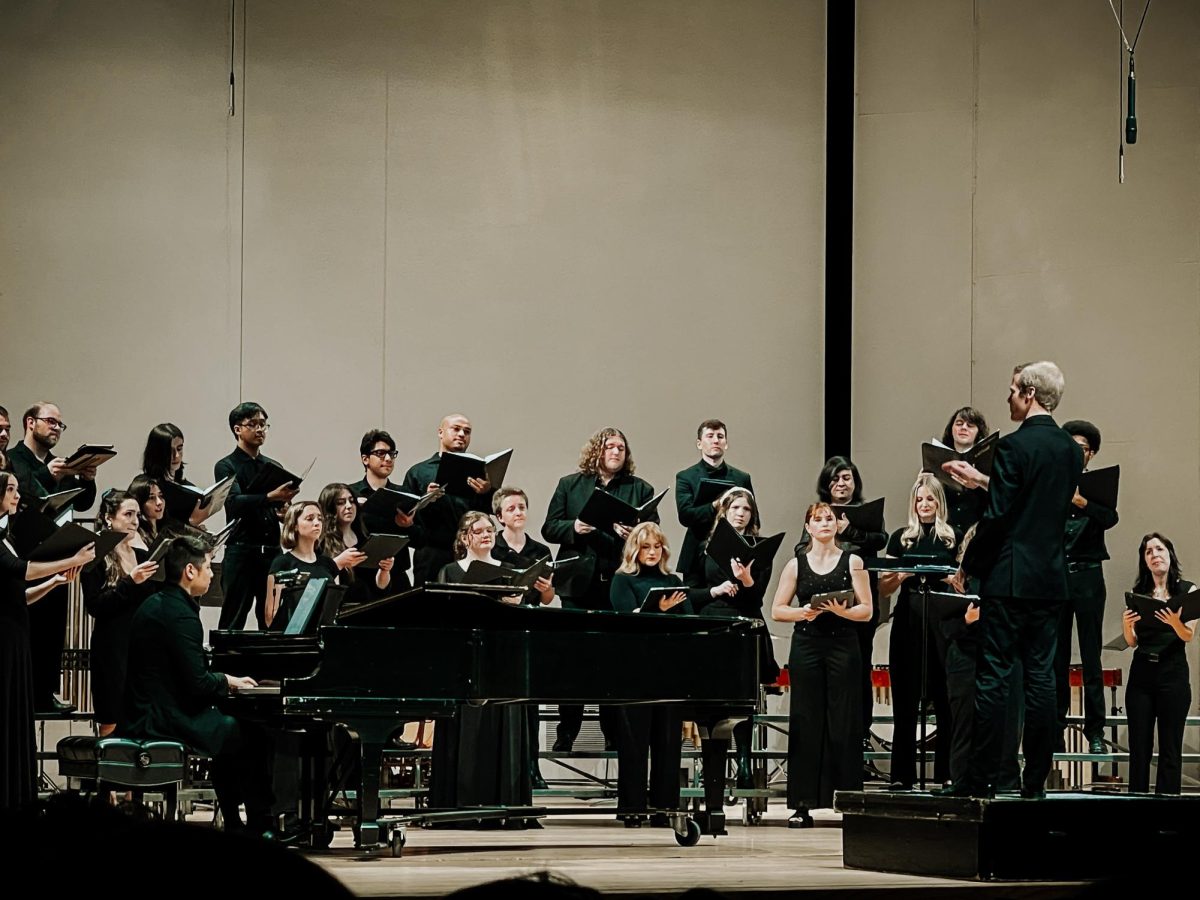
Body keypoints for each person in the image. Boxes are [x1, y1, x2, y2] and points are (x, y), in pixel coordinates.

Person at [944, 360, 1082, 798]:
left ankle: (978, 779)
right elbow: (1036, 502)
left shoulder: (1012, 447)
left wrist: (971, 566)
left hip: (1008, 577)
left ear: (1028, 393)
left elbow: (1002, 516)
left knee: (994, 678)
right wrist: (985, 480)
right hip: (1050, 578)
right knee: (1042, 679)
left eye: (1011, 390)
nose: (1007, 398)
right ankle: (1034, 781)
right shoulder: (1070, 450)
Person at [119, 535, 275, 835]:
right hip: (161, 718)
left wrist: (219, 683)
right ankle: (259, 821)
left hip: (146, 710)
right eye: (207, 567)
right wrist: (227, 681)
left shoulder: (157, 602)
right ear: (190, 571)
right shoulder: (180, 614)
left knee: (231, 731)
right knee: (247, 732)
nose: (212, 573)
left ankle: (235, 820)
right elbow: (197, 683)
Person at [541, 427, 657, 752]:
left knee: (615, 660)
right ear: (597, 450)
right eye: (610, 446)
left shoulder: (640, 488)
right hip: (577, 583)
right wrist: (575, 527)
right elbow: (550, 526)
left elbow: (653, 532)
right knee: (573, 659)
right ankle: (567, 731)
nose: (617, 452)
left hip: (619, 583)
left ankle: (613, 732)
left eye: (622, 447)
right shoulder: (570, 484)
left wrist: (634, 533)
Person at [771, 502, 873, 827]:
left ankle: (849, 800)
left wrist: (842, 611)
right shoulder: (796, 565)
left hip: (843, 642)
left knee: (845, 720)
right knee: (806, 719)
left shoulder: (853, 561)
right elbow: (777, 609)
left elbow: (867, 610)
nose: (825, 523)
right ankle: (802, 804)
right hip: (808, 643)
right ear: (809, 527)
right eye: (818, 519)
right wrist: (804, 612)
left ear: (837, 526)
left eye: (830, 518)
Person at [1, 471, 94, 810]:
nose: (17, 496)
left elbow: (17, 595)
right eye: (10, 489)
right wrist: (72, 560)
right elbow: (20, 570)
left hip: (16, 634)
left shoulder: (7, 536)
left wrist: (55, 582)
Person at [431, 512, 532, 818]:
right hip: (465, 659)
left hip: (501, 659)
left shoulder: (510, 571)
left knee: (503, 727)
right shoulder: (450, 571)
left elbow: (520, 620)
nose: (487, 534)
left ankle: (503, 805)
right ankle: (460, 805)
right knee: (465, 729)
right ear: (465, 538)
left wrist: (516, 606)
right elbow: (440, 616)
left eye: (490, 529)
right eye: (479, 531)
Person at [7, 402, 98, 712]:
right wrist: (47, 475)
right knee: (31, 624)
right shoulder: (15, 459)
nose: (57, 428)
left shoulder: (61, 464)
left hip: (58, 548)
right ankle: (28, 692)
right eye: (50, 421)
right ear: (30, 423)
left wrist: (86, 478)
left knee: (54, 628)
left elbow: (83, 503)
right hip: (27, 551)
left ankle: (47, 690)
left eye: (60, 424)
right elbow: (24, 498)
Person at [795, 456, 886, 748]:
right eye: (835, 479)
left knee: (859, 666)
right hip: (822, 605)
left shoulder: (865, 512)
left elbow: (880, 540)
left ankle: (859, 733)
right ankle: (824, 734)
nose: (841, 483)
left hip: (857, 603)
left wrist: (849, 532)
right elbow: (800, 549)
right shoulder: (819, 514)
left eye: (846, 477)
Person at [876, 474, 959, 790]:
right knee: (905, 699)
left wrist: (952, 578)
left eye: (930, 499)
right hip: (909, 619)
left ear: (939, 502)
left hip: (943, 621)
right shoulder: (901, 538)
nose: (924, 505)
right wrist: (902, 574)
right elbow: (883, 587)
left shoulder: (953, 538)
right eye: (919, 499)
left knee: (945, 697)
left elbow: (965, 583)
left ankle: (947, 771)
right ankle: (901, 774)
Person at [695, 487, 780, 789]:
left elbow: (758, 596)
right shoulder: (703, 544)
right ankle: (712, 764)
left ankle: (744, 762)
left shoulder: (759, 549)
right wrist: (715, 591)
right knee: (711, 698)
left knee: (743, 698)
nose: (741, 513)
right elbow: (691, 591)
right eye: (736, 508)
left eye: (746, 509)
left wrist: (745, 579)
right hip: (712, 623)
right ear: (725, 511)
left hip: (744, 620)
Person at [608, 522, 689, 825]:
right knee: (634, 742)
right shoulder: (622, 580)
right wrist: (660, 610)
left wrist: (667, 611)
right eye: (646, 546)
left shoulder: (672, 579)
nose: (652, 552)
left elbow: (689, 618)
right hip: (634, 669)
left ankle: (664, 808)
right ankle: (632, 808)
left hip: (668, 669)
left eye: (657, 546)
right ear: (635, 549)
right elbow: (626, 620)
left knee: (668, 741)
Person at [1055, 420, 1118, 755]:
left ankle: (1095, 731)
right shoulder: (1051, 481)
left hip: (1089, 575)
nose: (1076, 453)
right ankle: (1055, 725)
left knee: (1091, 656)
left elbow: (1110, 518)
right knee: (1056, 655)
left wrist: (1081, 503)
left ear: (1090, 454)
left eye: (1082, 448)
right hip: (1058, 575)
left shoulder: (1097, 486)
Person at [1121, 533, 1195, 795]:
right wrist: (1127, 626)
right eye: (1149, 552)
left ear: (1170, 554)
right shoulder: (1139, 594)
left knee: (1170, 746)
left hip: (1172, 672)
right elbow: (1132, 642)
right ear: (1145, 561)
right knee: (1139, 747)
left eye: (1159, 549)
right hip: (1142, 672)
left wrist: (1174, 622)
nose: (1155, 555)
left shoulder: (1188, 591)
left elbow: (1188, 635)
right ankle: (1137, 803)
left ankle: (1168, 810)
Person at [491, 486, 555, 789]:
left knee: (531, 701)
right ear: (499, 516)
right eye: (512, 508)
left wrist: (545, 590)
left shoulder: (540, 551)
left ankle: (532, 766)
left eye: (522, 507)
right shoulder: (493, 549)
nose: (518, 512)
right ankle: (504, 765)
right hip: (502, 626)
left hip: (529, 624)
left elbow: (547, 598)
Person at [215, 402, 299, 630]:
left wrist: (283, 511)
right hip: (241, 550)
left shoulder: (272, 465)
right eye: (252, 424)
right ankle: (225, 665)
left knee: (273, 618)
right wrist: (270, 496)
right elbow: (233, 504)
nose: (260, 429)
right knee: (233, 618)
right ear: (237, 429)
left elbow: (275, 507)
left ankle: (270, 666)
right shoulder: (226, 466)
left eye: (263, 424)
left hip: (271, 551)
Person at [81, 490, 159, 736]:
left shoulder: (141, 554)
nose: (135, 520)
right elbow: (95, 605)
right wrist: (130, 582)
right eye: (128, 514)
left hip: (140, 647)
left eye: (137, 514)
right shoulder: (95, 555)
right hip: (112, 648)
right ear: (108, 518)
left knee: (142, 718)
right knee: (112, 718)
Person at [401, 415, 494, 586]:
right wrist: (425, 499)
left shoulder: (479, 472)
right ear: (440, 432)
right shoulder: (419, 472)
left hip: (470, 552)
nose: (461, 434)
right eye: (456, 429)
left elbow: (489, 513)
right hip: (431, 552)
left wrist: (486, 492)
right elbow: (405, 516)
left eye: (467, 431)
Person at [675, 420, 754, 587]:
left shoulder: (741, 478)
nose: (716, 440)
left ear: (726, 444)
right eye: (710, 436)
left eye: (720, 436)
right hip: (696, 551)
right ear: (699, 443)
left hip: (732, 552)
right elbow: (685, 516)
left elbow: (751, 514)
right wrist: (715, 505)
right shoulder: (685, 476)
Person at [265, 501, 366, 630]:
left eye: (319, 518)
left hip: (323, 635)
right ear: (294, 525)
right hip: (293, 637)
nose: (317, 523)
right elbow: (271, 614)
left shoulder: (327, 563)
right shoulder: (282, 563)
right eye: (309, 519)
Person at [349, 429, 415, 591]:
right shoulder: (351, 494)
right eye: (380, 453)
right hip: (361, 574)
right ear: (365, 459)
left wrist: (408, 526)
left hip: (397, 573)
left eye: (391, 454)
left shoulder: (404, 494)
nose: (387, 459)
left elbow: (421, 541)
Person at [316, 482, 395, 606]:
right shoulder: (320, 542)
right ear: (329, 508)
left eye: (352, 501)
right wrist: (338, 563)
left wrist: (385, 570)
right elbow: (317, 582)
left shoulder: (364, 537)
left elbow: (380, 589)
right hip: (339, 610)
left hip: (367, 607)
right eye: (341, 502)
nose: (349, 506)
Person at [142, 423, 219, 528]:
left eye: (179, 449)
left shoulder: (188, 488)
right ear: (157, 452)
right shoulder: (145, 485)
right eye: (169, 451)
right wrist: (192, 524)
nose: (176, 456)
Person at [938, 406, 990, 532]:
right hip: (945, 533)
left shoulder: (990, 462)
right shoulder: (939, 460)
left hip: (979, 533)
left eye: (970, 425)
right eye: (959, 423)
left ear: (978, 432)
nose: (964, 428)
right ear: (951, 429)